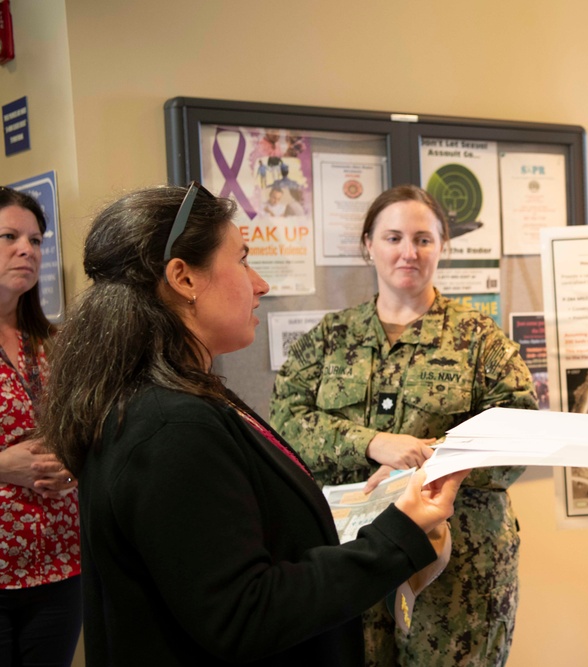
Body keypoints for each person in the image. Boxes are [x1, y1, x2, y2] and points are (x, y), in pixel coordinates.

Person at [38, 182, 468, 666]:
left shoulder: (183, 397)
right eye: (242, 259)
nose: (260, 283)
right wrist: (398, 536)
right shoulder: (170, 428)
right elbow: (245, 613)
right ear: (183, 278)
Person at [271, 184, 537, 667]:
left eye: (423, 239)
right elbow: (286, 423)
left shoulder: (480, 341)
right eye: (393, 238)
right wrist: (371, 443)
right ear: (367, 244)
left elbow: (518, 436)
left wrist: (428, 460)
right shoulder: (329, 339)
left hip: (458, 570)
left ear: (443, 247)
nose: (407, 253)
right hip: (349, 558)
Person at [0, 187, 81, 667]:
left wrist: (74, 465)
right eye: (9, 236)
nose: (26, 249)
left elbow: (88, 431)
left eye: (35, 239)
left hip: (58, 565)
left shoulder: (54, 343)